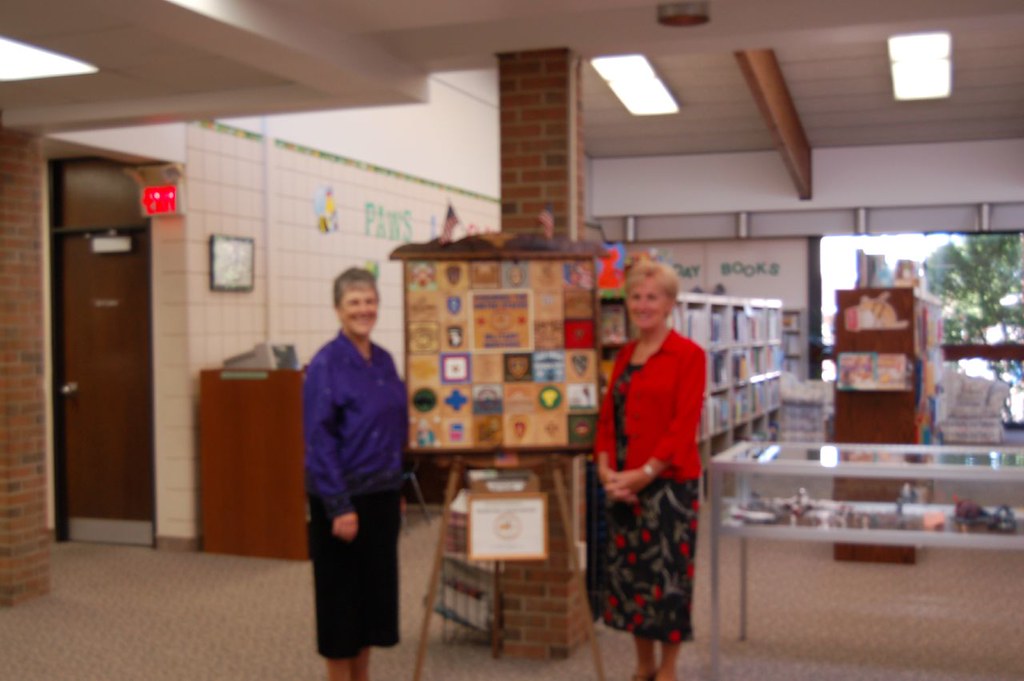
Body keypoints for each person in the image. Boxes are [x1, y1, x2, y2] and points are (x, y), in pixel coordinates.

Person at [594, 260, 707, 681]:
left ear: (670, 304)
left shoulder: (689, 356)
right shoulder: (625, 354)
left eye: (652, 298)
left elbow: (683, 424)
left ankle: (668, 669)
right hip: (624, 485)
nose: (642, 305)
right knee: (632, 579)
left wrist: (645, 472)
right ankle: (643, 665)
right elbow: (608, 418)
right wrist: (606, 470)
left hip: (669, 485)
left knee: (668, 579)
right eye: (636, 297)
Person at [303, 267, 408, 681]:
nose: (363, 310)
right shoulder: (326, 364)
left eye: (369, 301)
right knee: (341, 609)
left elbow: (393, 426)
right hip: (342, 501)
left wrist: (397, 486)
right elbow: (319, 439)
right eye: (354, 302)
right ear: (338, 309)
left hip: (382, 496)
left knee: (371, 605)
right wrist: (339, 505)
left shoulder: (383, 360)